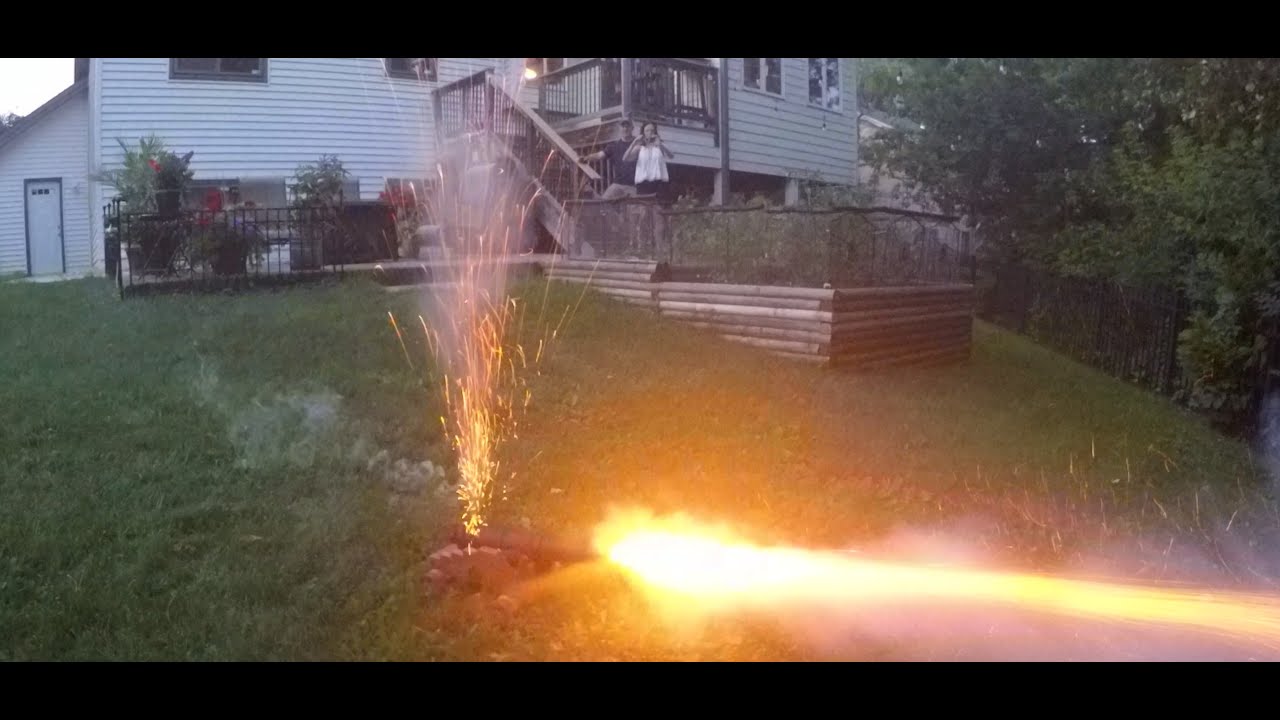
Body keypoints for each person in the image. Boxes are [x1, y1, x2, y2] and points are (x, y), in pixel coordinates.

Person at [580, 120, 638, 200]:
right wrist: (586, 157)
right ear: (619, 128)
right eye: (623, 126)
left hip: (634, 186)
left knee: (636, 209)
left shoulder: (638, 143)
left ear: (632, 128)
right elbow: (600, 155)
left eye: (627, 126)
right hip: (617, 184)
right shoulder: (614, 145)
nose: (625, 129)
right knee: (603, 203)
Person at [624, 121, 675, 203]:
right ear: (643, 133)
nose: (650, 133)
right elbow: (625, 158)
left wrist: (660, 144)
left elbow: (671, 156)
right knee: (644, 208)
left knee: (659, 208)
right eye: (647, 130)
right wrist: (633, 143)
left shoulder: (659, 145)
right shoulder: (640, 147)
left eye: (652, 130)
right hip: (643, 183)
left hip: (659, 182)